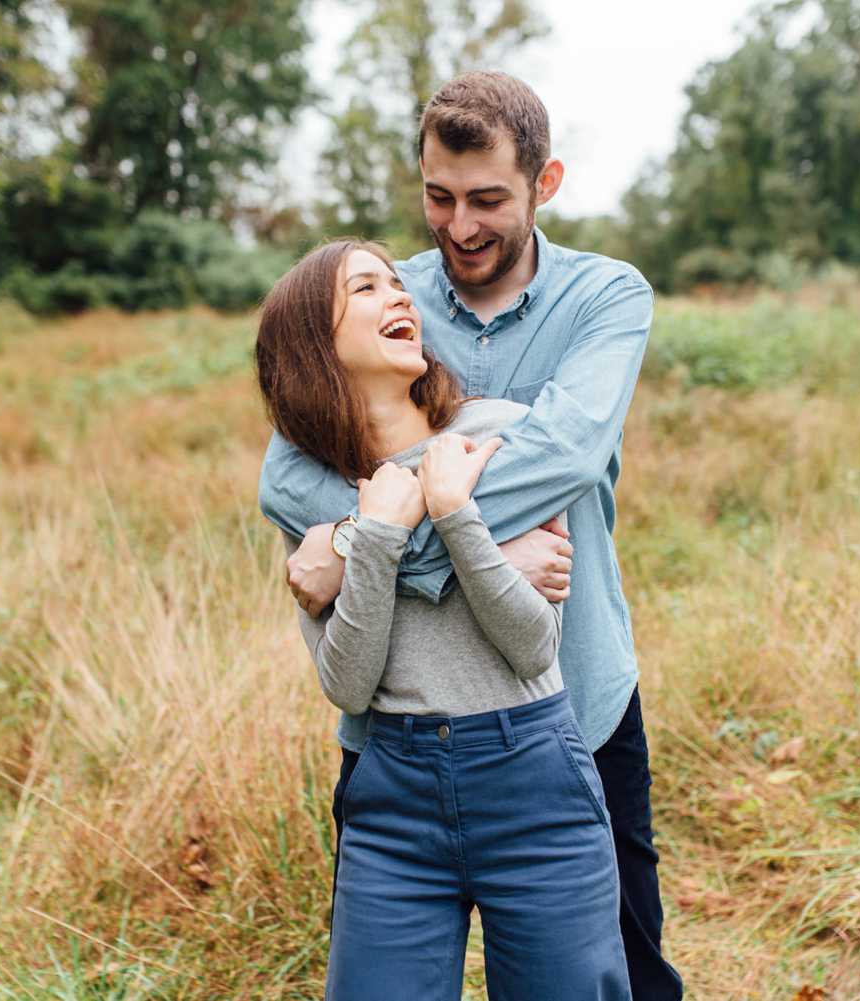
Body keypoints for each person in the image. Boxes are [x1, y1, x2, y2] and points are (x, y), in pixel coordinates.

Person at [258, 72, 683, 999]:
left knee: (627, 970)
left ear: (546, 182)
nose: (459, 226)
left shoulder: (606, 297)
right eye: (438, 197)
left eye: (488, 199)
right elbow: (286, 474)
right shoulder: (382, 296)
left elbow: (565, 455)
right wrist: (438, 537)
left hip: (576, 694)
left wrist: (375, 537)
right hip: (395, 729)